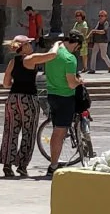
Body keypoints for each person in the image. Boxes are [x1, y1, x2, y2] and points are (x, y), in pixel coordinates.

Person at [30, 34, 84, 177]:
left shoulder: (51, 55)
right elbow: (71, 83)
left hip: (52, 94)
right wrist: (80, 81)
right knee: (59, 132)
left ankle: (54, 162)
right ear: (76, 44)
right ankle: (53, 165)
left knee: (56, 129)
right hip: (65, 97)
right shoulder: (69, 58)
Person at [0, 35, 39, 177]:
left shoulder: (13, 62)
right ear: (25, 46)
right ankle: (22, 165)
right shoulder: (31, 59)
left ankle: (7, 164)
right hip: (28, 99)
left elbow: (5, 83)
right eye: (29, 43)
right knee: (28, 132)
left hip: (13, 98)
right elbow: (50, 56)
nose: (32, 45)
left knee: (10, 131)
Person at [87, 8, 110, 72]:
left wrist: (95, 31)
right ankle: (92, 69)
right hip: (96, 41)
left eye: (102, 16)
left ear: (105, 16)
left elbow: (104, 31)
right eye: (99, 15)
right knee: (93, 53)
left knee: (103, 55)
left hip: (103, 41)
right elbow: (94, 30)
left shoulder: (106, 23)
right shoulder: (99, 22)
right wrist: (89, 35)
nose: (100, 17)